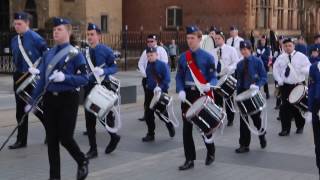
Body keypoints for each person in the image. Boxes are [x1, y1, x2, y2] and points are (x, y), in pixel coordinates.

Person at [30, 17, 89, 180]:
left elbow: (85, 78)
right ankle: (54, 177)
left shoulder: (75, 54)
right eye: (54, 30)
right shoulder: (48, 54)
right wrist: (32, 100)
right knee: (52, 140)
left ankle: (82, 159)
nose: (55, 32)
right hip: (50, 100)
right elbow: (42, 80)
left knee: (66, 138)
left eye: (59, 29)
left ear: (68, 32)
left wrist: (66, 78)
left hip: (68, 99)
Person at [176, 25, 217, 170]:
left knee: (204, 126)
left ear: (200, 39)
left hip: (201, 93)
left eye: (192, 38)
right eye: (188, 38)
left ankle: (211, 150)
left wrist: (209, 85)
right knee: (186, 129)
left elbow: (214, 77)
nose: (189, 41)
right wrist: (180, 90)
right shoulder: (183, 57)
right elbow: (179, 77)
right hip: (187, 94)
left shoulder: (208, 57)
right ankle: (189, 159)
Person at [9, 11, 48, 149]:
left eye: (19, 24)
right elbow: (15, 58)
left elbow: (47, 56)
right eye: (15, 24)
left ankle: (51, 133)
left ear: (27, 23)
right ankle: (21, 140)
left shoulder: (36, 38)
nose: (16, 26)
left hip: (33, 77)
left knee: (38, 108)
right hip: (19, 77)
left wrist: (39, 70)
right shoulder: (14, 40)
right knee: (20, 111)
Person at [83, 23, 121, 159]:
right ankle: (93, 149)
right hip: (88, 88)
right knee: (89, 119)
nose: (89, 37)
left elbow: (114, 68)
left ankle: (114, 136)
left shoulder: (105, 50)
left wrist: (104, 70)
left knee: (103, 116)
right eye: (88, 34)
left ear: (99, 36)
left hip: (102, 87)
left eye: (92, 34)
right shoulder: (84, 52)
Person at [273, 38, 311, 136]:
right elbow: (275, 70)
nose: (288, 48)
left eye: (289, 45)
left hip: (298, 84)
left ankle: (300, 126)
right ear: (283, 47)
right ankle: (285, 129)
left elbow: (309, 66)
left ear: (293, 46)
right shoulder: (280, 58)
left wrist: (304, 70)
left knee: (297, 107)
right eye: (285, 46)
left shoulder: (301, 56)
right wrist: (279, 79)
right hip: (285, 86)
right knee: (285, 107)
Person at [235, 40, 268, 153]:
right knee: (243, 120)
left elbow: (264, 77)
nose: (243, 52)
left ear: (250, 49)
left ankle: (261, 134)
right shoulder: (239, 64)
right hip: (242, 93)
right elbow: (238, 80)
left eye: (245, 49)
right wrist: (237, 96)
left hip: (253, 93)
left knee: (255, 119)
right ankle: (244, 144)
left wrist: (257, 85)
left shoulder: (257, 61)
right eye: (242, 50)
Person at [141, 46, 175, 142]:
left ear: (156, 55)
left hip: (161, 91)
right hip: (150, 92)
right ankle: (151, 134)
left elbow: (167, 79)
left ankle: (169, 124)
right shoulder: (148, 65)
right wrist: (148, 86)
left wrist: (160, 87)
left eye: (151, 55)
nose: (149, 57)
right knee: (148, 114)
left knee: (161, 113)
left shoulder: (163, 65)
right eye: (148, 56)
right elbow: (148, 78)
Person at [137, 34, 168, 121]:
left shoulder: (161, 50)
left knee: (160, 98)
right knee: (147, 99)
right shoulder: (145, 51)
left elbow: (165, 63)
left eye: (152, 41)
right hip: (147, 79)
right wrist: (145, 74)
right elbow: (140, 63)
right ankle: (147, 115)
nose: (150, 43)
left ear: (156, 41)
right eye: (148, 41)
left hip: (158, 79)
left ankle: (164, 114)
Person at [212, 30, 239, 126]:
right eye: (215, 39)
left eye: (218, 38)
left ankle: (230, 118)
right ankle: (219, 118)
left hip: (228, 77)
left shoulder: (231, 49)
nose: (216, 40)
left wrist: (229, 68)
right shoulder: (213, 52)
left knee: (228, 98)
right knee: (217, 100)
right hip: (217, 77)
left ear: (223, 39)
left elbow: (236, 62)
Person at [307, 61, 320, 178]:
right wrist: (310, 110)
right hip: (317, 108)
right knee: (318, 143)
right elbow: (310, 88)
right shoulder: (314, 67)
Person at [256, 35, 272, 99]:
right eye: (262, 40)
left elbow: (267, 57)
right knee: (258, 79)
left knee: (265, 80)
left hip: (265, 66)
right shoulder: (258, 47)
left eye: (264, 40)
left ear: (265, 41)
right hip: (259, 66)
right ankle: (258, 92)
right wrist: (262, 55)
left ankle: (267, 92)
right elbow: (257, 56)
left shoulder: (268, 48)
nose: (263, 41)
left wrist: (261, 55)